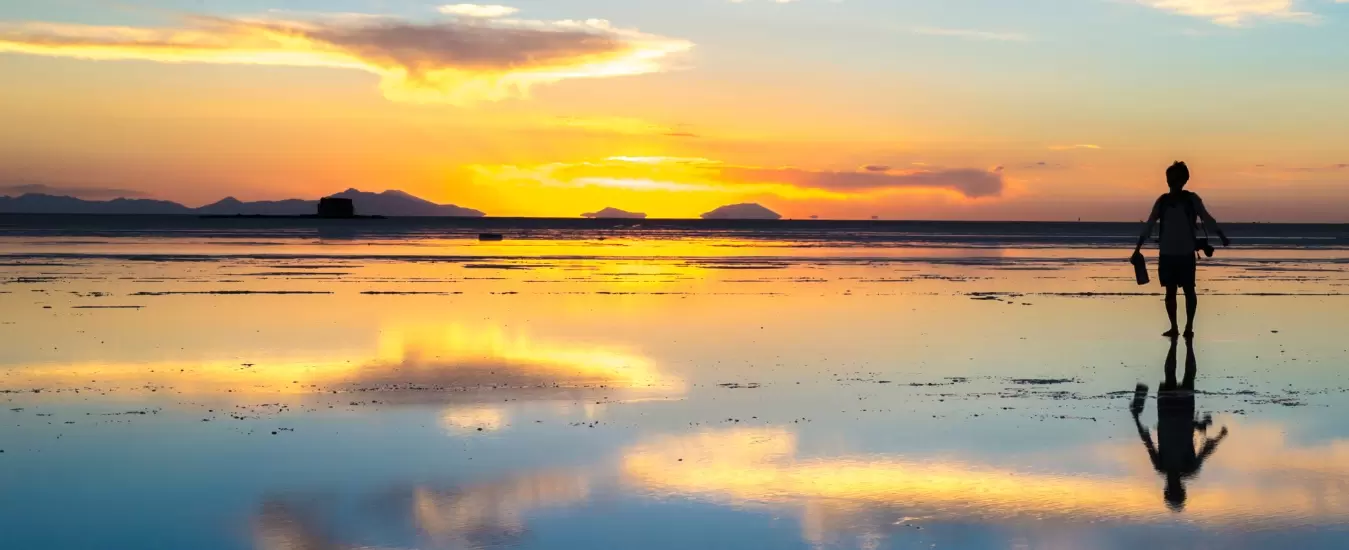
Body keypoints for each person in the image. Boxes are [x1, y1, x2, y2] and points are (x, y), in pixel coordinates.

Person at [1132, 162, 1230, 338]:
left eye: (1175, 177)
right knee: (1170, 292)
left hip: (1186, 254)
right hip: (1167, 254)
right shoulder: (1162, 201)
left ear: (1184, 179)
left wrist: (1221, 236)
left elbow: (1207, 218)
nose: (1171, 180)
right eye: (1169, 177)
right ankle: (1174, 327)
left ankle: (1189, 327)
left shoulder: (1191, 200)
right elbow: (1149, 224)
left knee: (1189, 291)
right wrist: (1137, 248)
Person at [1130, 337, 1228, 511]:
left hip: (1167, 412)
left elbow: (1148, 442)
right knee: (1188, 377)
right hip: (1183, 413)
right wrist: (1219, 437)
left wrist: (1137, 420)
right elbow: (1205, 451)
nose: (1173, 486)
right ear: (1181, 489)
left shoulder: (1161, 466)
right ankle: (1188, 345)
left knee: (1170, 376)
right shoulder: (1189, 468)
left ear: (1166, 489)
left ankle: (1175, 344)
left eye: (1171, 490)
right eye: (1177, 490)